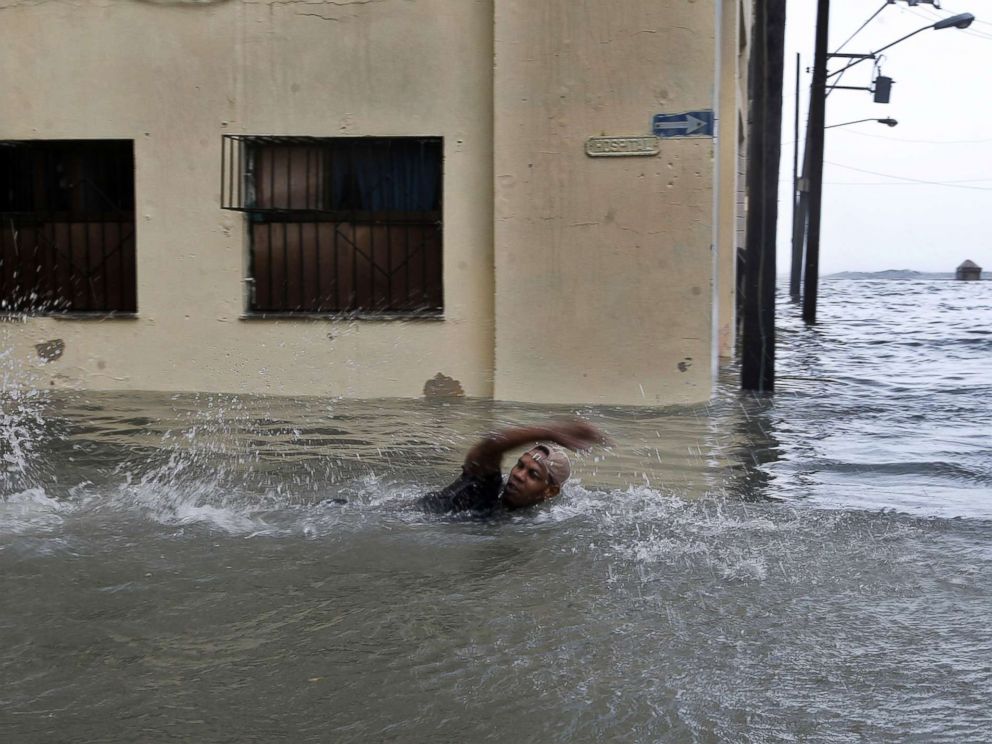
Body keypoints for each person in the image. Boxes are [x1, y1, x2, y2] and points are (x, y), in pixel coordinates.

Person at [420, 419, 607, 514]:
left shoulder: (538, 519)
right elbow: (490, 446)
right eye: (520, 465)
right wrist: (549, 432)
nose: (518, 475)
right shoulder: (484, 492)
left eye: (532, 474)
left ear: (550, 491)